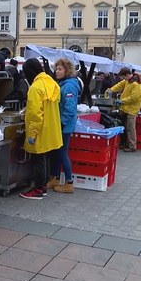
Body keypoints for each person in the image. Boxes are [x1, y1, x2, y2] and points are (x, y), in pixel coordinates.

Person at [19, 58, 62, 200]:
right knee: (45, 159)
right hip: (52, 130)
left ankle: (37, 190)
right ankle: (42, 187)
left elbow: (35, 115)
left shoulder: (35, 88)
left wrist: (31, 134)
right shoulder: (51, 83)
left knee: (38, 160)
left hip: (40, 131)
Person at [45, 58, 79, 194]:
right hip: (61, 124)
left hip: (64, 126)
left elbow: (69, 109)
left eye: (60, 69)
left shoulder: (69, 85)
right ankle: (56, 178)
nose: (56, 71)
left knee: (62, 153)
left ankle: (69, 183)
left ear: (67, 70)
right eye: (56, 69)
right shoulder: (63, 83)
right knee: (57, 152)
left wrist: (60, 123)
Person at [107, 68, 141, 152]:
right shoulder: (128, 81)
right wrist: (111, 90)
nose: (123, 79)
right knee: (125, 127)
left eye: (124, 77)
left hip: (132, 110)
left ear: (127, 75)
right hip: (125, 109)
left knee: (130, 128)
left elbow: (134, 98)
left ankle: (132, 146)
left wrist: (122, 101)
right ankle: (124, 144)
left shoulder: (136, 84)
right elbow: (120, 85)